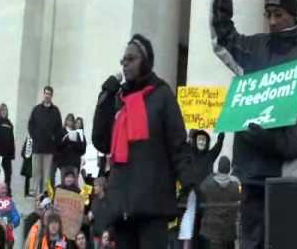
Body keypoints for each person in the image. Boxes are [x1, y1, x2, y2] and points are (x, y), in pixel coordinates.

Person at [212, 0, 297, 249]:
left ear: (293, 13)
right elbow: (223, 38)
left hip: (287, 178)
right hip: (251, 176)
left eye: (278, 14)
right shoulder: (255, 47)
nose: (272, 21)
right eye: (268, 15)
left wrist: (274, 140)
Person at [92, 34, 192, 249]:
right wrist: (104, 100)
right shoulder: (119, 100)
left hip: (152, 203)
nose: (125, 64)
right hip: (123, 205)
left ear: (145, 61)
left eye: (131, 59)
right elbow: (101, 142)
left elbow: (177, 143)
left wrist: (189, 182)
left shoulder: (162, 95)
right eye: (123, 61)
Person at [179, 130, 225, 248]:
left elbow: (218, 147)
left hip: (206, 201)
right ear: (194, 141)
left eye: (204, 140)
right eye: (199, 139)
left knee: (204, 234)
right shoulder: (189, 154)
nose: (201, 142)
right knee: (190, 232)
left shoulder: (209, 156)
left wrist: (221, 136)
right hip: (190, 199)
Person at [199, 156, 240, 249]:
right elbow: (239, 197)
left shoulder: (209, 183)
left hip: (212, 231)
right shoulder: (234, 186)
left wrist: (212, 175)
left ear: (218, 167)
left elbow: (200, 190)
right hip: (228, 232)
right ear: (229, 169)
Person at [28, 85, 63, 195]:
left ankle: (44, 193)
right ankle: (34, 191)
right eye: (46, 93)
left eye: (49, 94)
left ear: (52, 96)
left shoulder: (56, 111)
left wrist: (54, 139)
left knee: (47, 173)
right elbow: (30, 125)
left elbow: (59, 128)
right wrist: (35, 136)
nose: (47, 96)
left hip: (49, 148)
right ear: (43, 94)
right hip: (37, 147)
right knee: (36, 172)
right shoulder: (36, 109)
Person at [0, 184, 19, 249]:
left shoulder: (10, 201)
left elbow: (16, 216)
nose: (4, 190)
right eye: (2, 188)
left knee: (10, 240)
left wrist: (13, 224)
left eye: (5, 189)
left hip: (7, 231)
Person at [88, 177, 109, 249]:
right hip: (95, 236)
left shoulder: (109, 200)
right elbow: (92, 215)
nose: (94, 188)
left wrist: (108, 233)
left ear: (102, 187)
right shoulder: (94, 200)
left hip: (106, 237)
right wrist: (90, 214)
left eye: (96, 186)